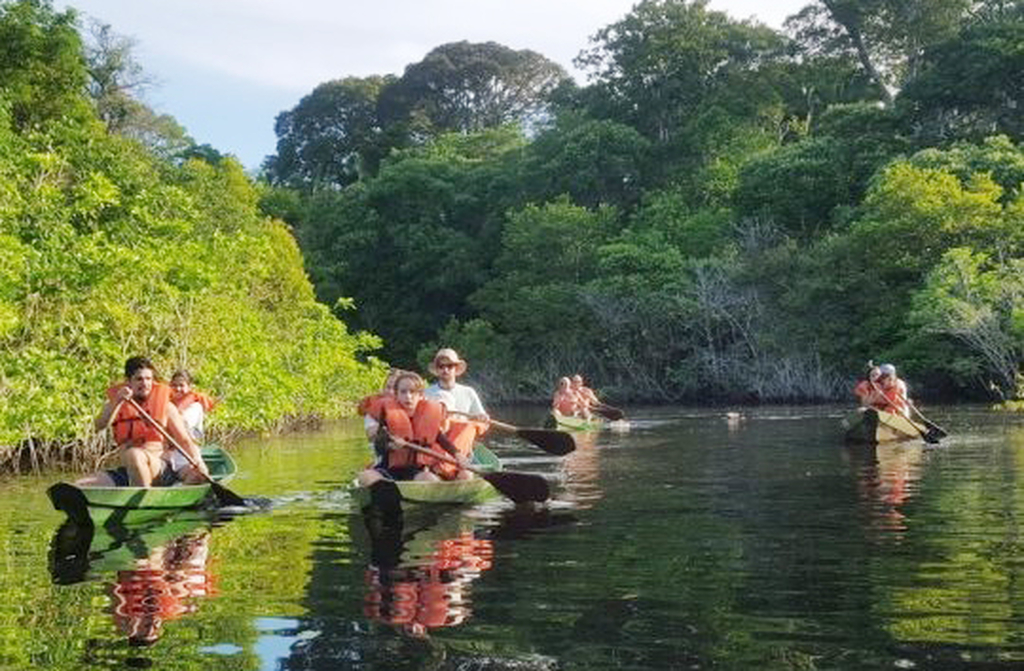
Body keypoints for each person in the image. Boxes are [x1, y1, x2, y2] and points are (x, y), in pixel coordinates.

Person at [81, 356, 208, 488]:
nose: (145, 383)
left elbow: (184, 440)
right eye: (139, 379)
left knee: (134, 454)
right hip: (128, 471)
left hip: (158, 469)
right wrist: (117, 402)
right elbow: (99, 425)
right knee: (80, 485)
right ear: (128, 382)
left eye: (148, 379)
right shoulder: (115, 403)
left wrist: (198, 461)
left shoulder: (166, 406)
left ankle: (145, 500)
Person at [357, 371, 471, 489]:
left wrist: (458, 455)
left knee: (429, 479)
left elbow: (443, 440)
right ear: (396, 395)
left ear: (421, 395)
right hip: (389, 470)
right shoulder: (387, 416)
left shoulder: (427, 417)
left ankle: (414, 495)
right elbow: (379, 447)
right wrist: (390, 446)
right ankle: (386, 491)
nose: (408, 397)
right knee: (366, 476)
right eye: (403, 392)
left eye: (412, 392)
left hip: (416, 472)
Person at [424, 348, 489, 462]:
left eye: (450, 366)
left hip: (462, 444)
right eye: (441, 366)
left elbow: (482, 419)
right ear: (437, 369)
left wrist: (482, 418)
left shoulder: (468, 392)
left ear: (456, 368)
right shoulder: (427, 393)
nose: (445, 370)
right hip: (437, 444)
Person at [359, 368, 407, 441]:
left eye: (395, 388)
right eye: (388, 387)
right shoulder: (373, 409)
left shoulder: (416, 407)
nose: (391, 392)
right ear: (383, 389)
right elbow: (371, 434)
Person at [169, 370, 218, 442]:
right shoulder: (169, 403)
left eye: (181, 385)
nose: (177, 389)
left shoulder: (195, 406)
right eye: (174, 385)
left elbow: (184, 425)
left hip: (187, 446)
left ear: (189, 387)